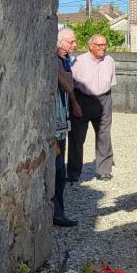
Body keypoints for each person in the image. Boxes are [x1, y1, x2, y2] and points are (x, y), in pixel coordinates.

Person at [69, 34, 116, 182]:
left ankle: (104, 171)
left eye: (104, 44)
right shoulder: (79, 61)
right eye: (99, 45)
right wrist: (75, 103)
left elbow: (111, 83)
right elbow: (71, 85)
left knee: (104, 135)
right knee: (77, 137)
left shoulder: (109, 61)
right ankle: (73, 173)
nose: (103, 48)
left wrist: (107, 101)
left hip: (104, 98)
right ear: (91, 46)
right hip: (82, 99)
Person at [53, 29, 80, 227]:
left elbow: (70, 88)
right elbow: (69, 85)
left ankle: (58, 211)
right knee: (58, 170)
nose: (74, 45)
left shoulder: (64, 60)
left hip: (61, 122)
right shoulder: (55, 60)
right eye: (70, 42)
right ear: (59, 43)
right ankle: (56, 213)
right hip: (53, 123)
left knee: (59, 171)